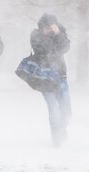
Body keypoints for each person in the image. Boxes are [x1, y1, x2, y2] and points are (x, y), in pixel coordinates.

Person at [30, 13, 71, 147]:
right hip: (45, 78)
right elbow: (46, 50)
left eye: (52, 26)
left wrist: (58, 34)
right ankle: (57, 140)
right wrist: (48, 35)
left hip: (61, 76)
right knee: (53, 109)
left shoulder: (60, 33)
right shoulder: (35, 35)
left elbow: (65, 48)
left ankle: (61, 131)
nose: (50, 28)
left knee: (66, 110)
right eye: (47, 26)